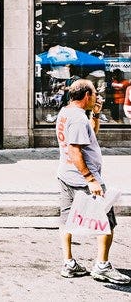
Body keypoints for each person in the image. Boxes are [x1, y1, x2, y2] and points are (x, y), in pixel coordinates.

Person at [56, 78, 130, 284]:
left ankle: (69, 263)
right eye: (95, 94)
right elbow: (75, 149)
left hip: (66, 174)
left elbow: (91, 135)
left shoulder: (67, 112)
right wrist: (91, 179)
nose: (98, 97)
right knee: (106, 222)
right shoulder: (78, 119)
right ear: (87, 95)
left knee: (67, 219)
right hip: (83, 178)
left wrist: (95, 114)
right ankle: (102, 266)